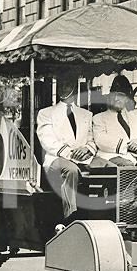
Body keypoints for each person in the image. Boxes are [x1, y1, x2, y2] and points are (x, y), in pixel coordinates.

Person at [36, 70, 97, 220]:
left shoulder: (86, 115)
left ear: (75, 87)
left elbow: (93, 140)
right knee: (71, 171)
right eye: (61, 85)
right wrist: (71, 153)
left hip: (84, 158)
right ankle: (70, 215)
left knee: (109, 168)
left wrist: (87, 149)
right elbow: (47, 141)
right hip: (56, 160)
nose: (63, 88)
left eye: (67, 84)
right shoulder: (46, 113)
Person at [92, 75, 137, 167]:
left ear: (126, 99)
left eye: (121, 96)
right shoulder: (99, 118)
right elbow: (101, 140)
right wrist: (127, 146)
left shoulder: (134, 116)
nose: (117, 99)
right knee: (127, 166)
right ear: (109, 98)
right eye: (114, 95)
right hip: (112, 156)